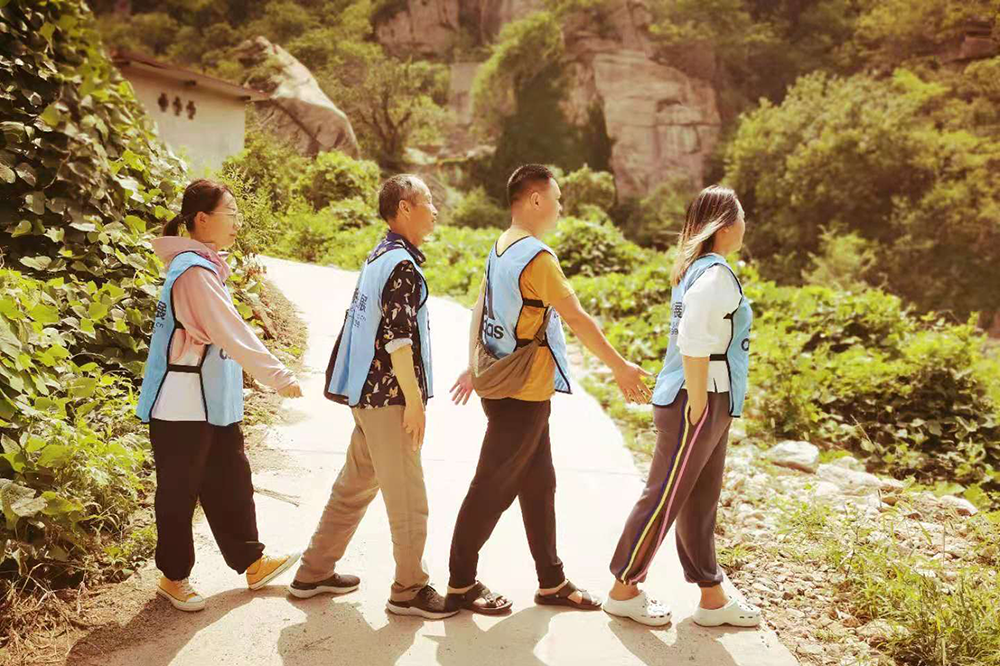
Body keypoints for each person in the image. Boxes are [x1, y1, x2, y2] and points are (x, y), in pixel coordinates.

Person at [446, 164, 652, 614]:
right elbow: (577, 318)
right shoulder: (538, 258)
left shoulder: (502, 245)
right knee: (492, 487)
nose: (560, 207)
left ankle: (551, 581)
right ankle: (460, 583)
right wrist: (620, 367)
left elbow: (484, 308)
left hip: (511, 385)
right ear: (535, 199)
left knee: (540, 485)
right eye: (557, 199)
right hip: (520, 391)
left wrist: (474, 366)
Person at [287, 175, 457, 620]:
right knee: (408, 500)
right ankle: (409, 589)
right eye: (428, 201)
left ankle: (313, 573)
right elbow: (399, 341)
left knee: (354, 487)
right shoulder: (401, 265)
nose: (434, 209)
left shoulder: (380, 254)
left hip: (366, 394)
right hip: (389, 399)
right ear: (405, 208)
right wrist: (414, 403)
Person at [135, 179, 304, 612]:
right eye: (230, 213)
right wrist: (277, 375)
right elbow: (231, 330)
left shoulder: (204, 266)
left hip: (212, 400)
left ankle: (252, 562)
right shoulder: (194, 272)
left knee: (231, 480)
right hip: (182, 402)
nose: (237, 222)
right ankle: (173, 577)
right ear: (202, 219)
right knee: (179, 491)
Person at [602, 185, 760, 628]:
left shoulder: (695, 269)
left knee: (699, 501)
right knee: (665, 497)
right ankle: (623, 588)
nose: (744, 225)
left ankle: (712, 597)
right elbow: (693, 338)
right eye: (741, 217)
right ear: (724, 226)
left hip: (709, 398)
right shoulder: (715, 275)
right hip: (698, 399)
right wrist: (698, 400)